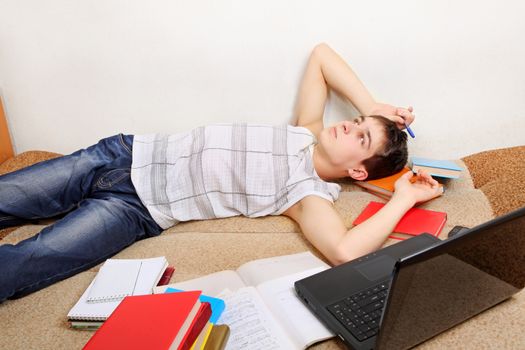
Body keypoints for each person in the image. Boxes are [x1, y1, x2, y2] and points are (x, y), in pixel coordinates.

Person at [0, 43, 442, 302]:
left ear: (358, 173)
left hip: (132, 209)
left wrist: (403, 197)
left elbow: (346, 252)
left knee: (26, 264)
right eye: (357, 123)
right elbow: (322, 55)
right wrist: (373, 110)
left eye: (361, 138)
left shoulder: (307, 195)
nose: (350, 125)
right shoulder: (305, 131)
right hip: (120, 154)